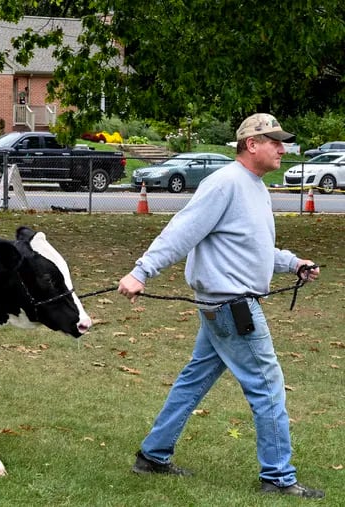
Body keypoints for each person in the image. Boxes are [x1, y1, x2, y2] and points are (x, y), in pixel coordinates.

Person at [117, 113, 324, 499]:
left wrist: (293, 263)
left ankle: (153, 455)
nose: (282, 149)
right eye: (275, 141)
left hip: (223, 307)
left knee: (194, 380)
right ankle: (278, 478)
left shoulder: (255, 187)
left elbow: (253, 246)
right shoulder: (225, 183)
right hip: (233, 309)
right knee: (268, 389)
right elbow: (182, 230)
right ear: (251, 144)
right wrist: (141, 271)